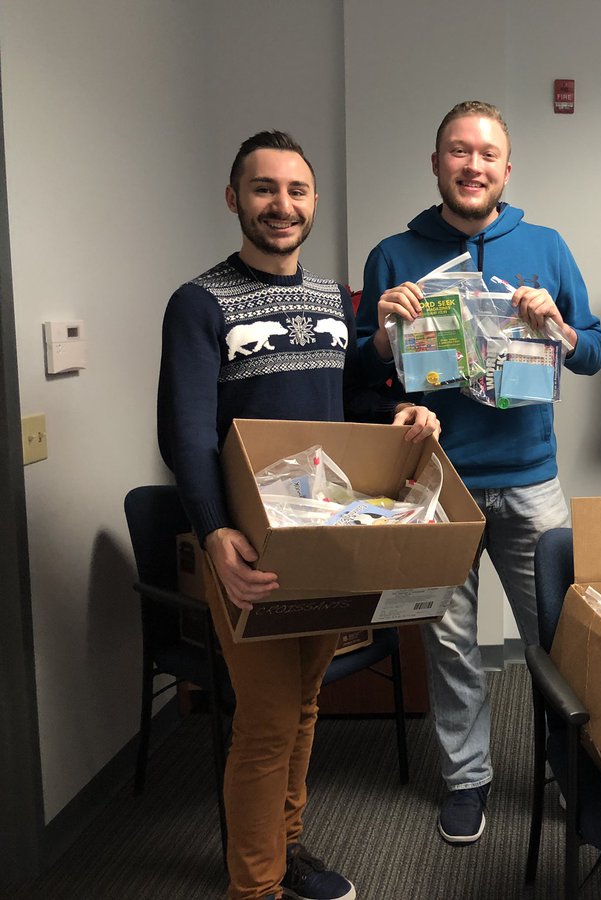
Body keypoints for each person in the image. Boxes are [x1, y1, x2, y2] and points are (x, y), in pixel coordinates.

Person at [158, 131, 440, 900]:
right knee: (267, 721)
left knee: (306, 704)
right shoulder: (199, 303)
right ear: (234, 199)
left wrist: (396, 413)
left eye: (296, 191)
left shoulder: (330, 299)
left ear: (314, 203)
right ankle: (254, 888)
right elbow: (183, 433)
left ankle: (284, 849)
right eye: (263, 189)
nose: (281, 205)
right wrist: (215, 534)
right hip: (246, 547)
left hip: (323, 536)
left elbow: (341, 402)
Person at [354, 100, 601, 845]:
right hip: (433, 483)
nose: (472, 164)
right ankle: (467, 781)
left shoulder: (548, 245)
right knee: (450, 642)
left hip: (531, 481)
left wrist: (556, 325)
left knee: (560, 641)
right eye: (458, 151)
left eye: (487, 153)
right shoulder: (393, 254)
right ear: (436, 164)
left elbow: (592, 352)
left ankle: (573, 770)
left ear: (506, 168)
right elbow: (366, 380)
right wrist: (379, 339)